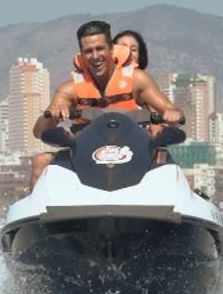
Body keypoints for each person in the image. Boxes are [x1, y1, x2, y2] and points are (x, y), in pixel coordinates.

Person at [28, 21, 181, 187]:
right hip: (84, 157)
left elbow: (173, 113)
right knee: (40, 162)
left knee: (167, 166)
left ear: (111, 49)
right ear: (82, 55)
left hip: (133, 153)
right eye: (88, 51)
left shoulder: (138, 80)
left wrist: (172, 114)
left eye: (100, 49)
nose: (95, 56)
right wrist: (52, 114)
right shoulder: (69, 89)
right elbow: (39, 132)